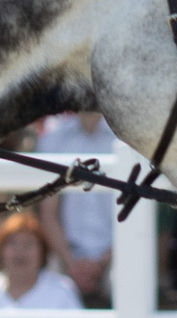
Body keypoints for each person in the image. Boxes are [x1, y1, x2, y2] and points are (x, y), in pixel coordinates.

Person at [35, 108, 118, 304]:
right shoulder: (54, 139)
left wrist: (103, 261)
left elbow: (135, 214)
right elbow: (48, 213)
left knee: (129, 282)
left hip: (116, 254)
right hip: (64, 254)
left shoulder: (126, 138)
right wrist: (70, 261)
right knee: (48, 291)